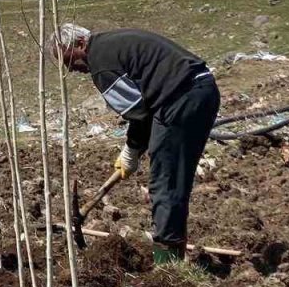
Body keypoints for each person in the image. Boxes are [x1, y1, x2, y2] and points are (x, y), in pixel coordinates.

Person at [47, 23, 220, 265]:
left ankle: (168, 265)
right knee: (174, 178)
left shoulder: (101, 64)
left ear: (79, 44)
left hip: (180, 99)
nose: (70, 69)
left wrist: (131, 149)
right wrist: (135, 148)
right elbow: (146, 111)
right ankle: (173, 254)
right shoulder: (112, 43)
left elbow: (140, 114)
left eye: (68, 60)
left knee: (166, 180)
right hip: (202, 89)